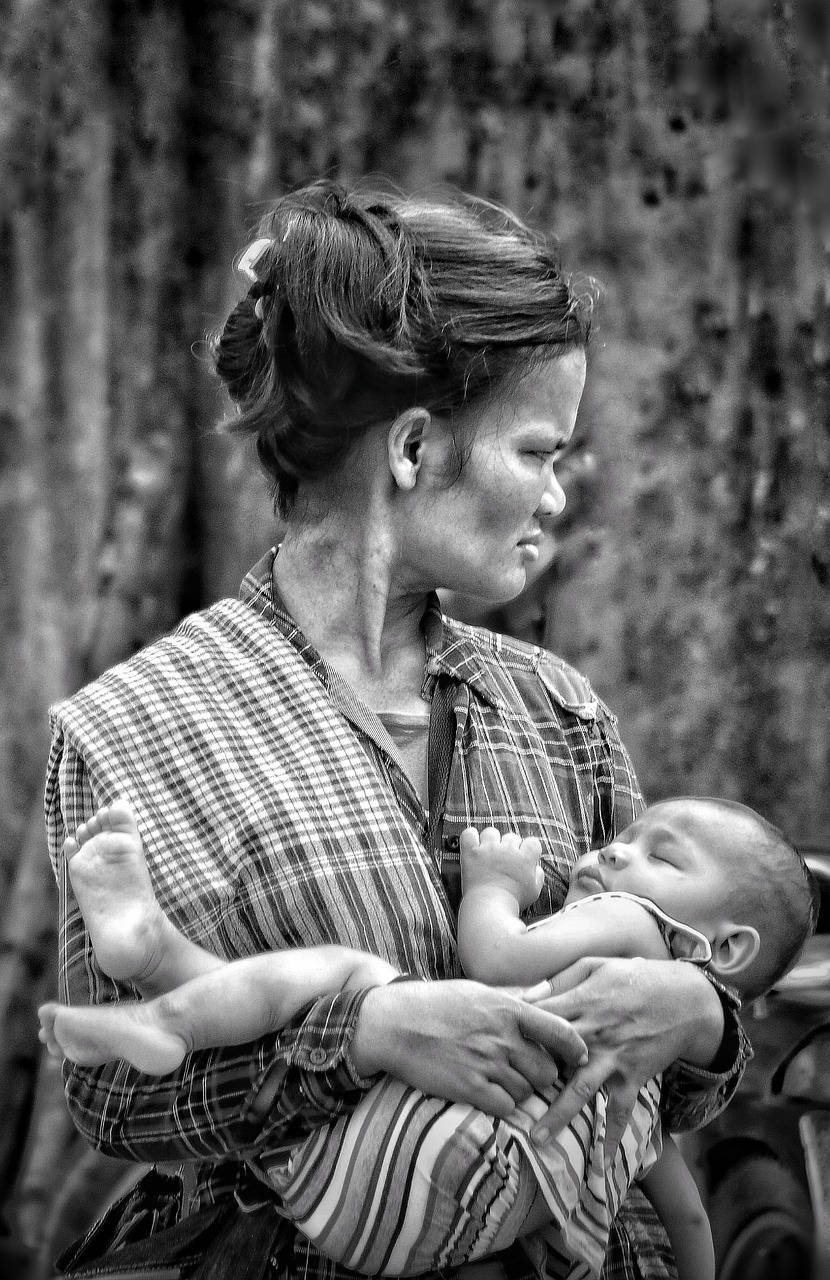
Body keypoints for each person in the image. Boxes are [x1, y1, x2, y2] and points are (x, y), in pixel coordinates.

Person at [45, 178, 751, 1280]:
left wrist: (691, 1011)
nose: (557, 497)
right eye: (538, 450)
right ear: (415, 446)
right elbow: (111, 1093)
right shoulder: (147, 722)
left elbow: (650, 1093)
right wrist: (363, 1034)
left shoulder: (556, 712)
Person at [39, 796, 817, 1280]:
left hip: (344, 1184)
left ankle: (160, 979)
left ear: (725, 949)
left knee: (347, 975)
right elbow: (687, 1214)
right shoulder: (637, 1111)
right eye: (629, 836)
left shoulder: (641, 926)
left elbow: (496, 957)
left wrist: (494, 888)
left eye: (661, 855)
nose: (617, 850)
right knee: (361, 1003)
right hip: (432, 1231)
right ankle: (161, 969)